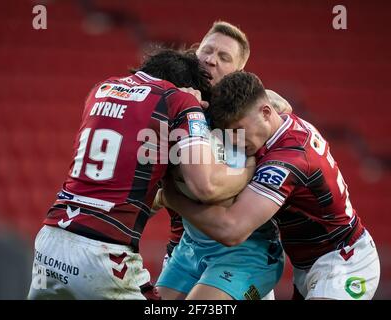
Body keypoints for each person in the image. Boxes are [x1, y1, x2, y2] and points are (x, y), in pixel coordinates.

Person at [27, 49, 256, 300]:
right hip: (104, 252)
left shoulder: (101, 89)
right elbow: (207, 186)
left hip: (50, 242)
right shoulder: (178, 99)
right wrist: (248, 171)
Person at [159, 71, 381, 300]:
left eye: (238, 131)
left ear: (266, 113)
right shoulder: (277, 124)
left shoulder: (287, 160)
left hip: (344, 260)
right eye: (229, 133)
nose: (234, 140)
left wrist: (173, 199)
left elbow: (232, 230)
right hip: (308, 264)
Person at [155, 22, 287, 300]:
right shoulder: (174, 106)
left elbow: (210, 188)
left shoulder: (254, 119)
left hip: (245, 253)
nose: (211, 60)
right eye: (207, 51)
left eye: (224, 57)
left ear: (237, 74)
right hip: (191, 248)